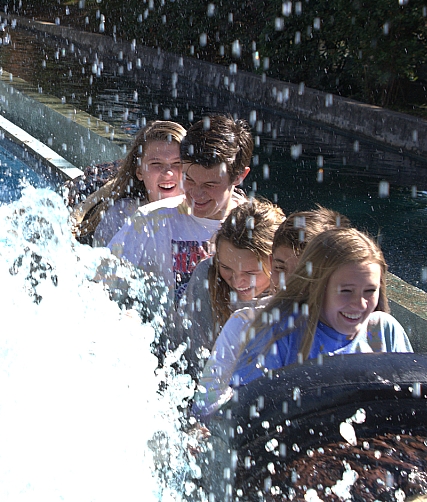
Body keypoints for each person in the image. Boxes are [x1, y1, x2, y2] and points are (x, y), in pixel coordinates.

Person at [192, 207, 351, 415]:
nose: (289, 282)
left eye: (305, 271)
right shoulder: (245, 323)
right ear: (271, 262)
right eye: (280, 268)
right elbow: (205, 404)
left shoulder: (379, 329)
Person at [229, 228, 412, 388]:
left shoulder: (385, 330)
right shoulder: (279, 335)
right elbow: (244, 410)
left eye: (370, 291)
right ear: (316, 287)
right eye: (346, 291)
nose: (361, 304)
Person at [108, 114, 253, 303]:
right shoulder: (149, 221)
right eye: (189, 179)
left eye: (210, 184)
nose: (196, 194)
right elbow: (102, 285)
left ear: (239, 177)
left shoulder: (257, 228)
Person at [175, 198, 284, 377]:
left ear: (276, 263)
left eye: (251, 272)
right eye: (226, 268)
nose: (237, 282)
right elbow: (194, 364)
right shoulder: (206, 277)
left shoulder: (293, 289)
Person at [72, 120, 185, 246]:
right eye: (156, 164)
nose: (168, 173)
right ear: (140, 172)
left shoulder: (204, 213)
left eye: (177, 163)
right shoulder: (120, 216)